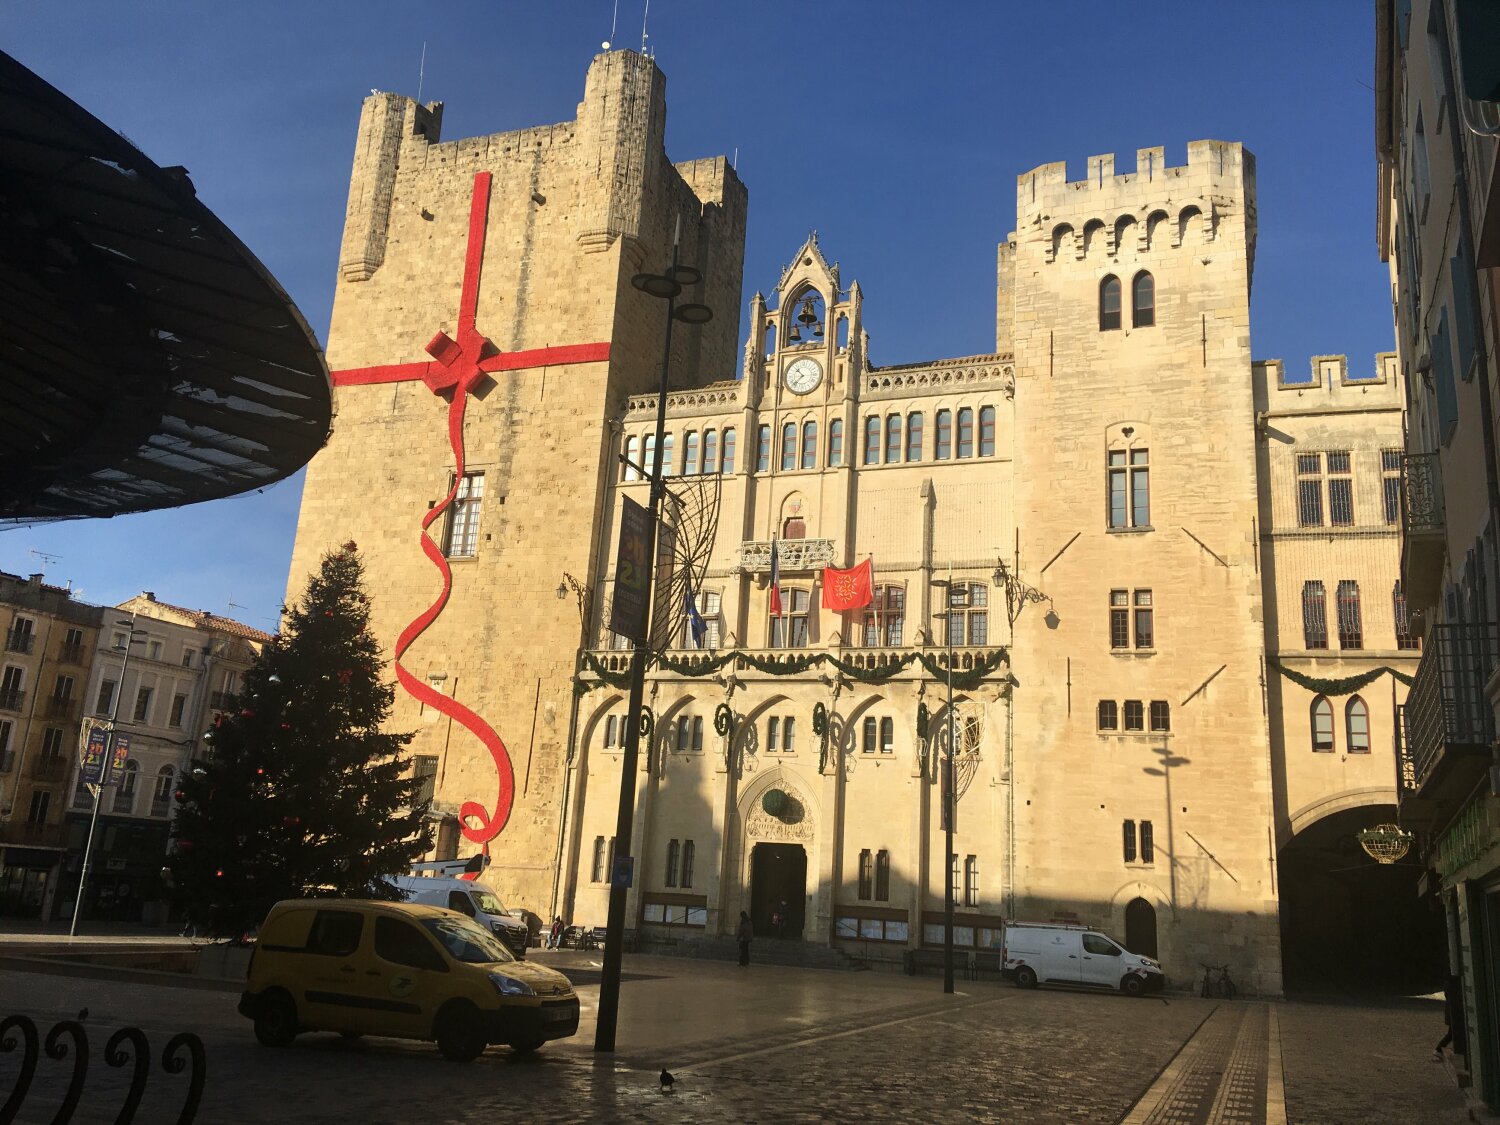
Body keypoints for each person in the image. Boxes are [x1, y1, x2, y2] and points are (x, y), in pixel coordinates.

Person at [1436, 973, 1465, 1060]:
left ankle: (1439, 1049)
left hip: (1451, 1012)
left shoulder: (1448, 985)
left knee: (1452, 1033)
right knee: (1452, 1033)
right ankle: (1438, 1049)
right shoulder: (1452, 987)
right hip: (1453, 1013)